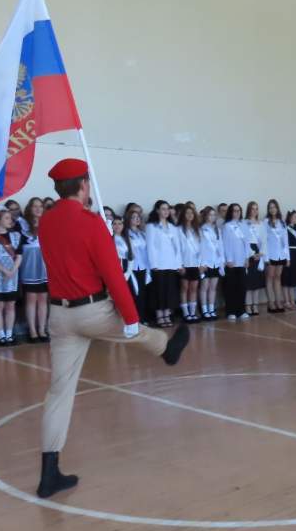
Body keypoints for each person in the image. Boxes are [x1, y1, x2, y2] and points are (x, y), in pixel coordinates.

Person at [35, 158, 189, 499]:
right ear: (83, 186)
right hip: (92, 310)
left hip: (59, 314)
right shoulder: (91, 223)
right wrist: (131, 317)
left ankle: (49, 473)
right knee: (136, 332)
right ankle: (166, 349)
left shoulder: (45, 221)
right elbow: (113, 275)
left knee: (59, 393)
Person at [145, 200, 184, 328]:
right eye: (163, 209)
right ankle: (159, 316)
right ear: (157, 210)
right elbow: (150, 246)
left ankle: (167, 315)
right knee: (159, 291)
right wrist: (153, 264)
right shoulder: (152, 226)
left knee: (169, 291)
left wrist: (178, 264)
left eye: (167, 209)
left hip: (171, 264)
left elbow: (177, 247)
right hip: (159, 264)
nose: (166, 211)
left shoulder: (173, 227)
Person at [0, 208, 22, 346]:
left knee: (10, 305)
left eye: (10, 218)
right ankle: (0, 334)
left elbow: (19, 255)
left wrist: (12, 271)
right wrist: (4, 270)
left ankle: (9, 333)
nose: (10, 221)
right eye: (7, 218)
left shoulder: (16, 236)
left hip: (12, 275)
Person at [20, 198, 50, 342]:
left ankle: (42, 329)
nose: (38, 209)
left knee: (43, 299)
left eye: (40, 206)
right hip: (30, 266)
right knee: (31, 299)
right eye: (35, 206)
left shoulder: (48, 223)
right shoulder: (22, 224)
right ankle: (32, 330)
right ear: (29, 208)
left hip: (44, 266)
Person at [263, 199, 290, 313]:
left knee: (278, 278)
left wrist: (288, 257)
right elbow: (264, 240)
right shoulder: (265, 222)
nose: (272, 209)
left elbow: (285, 240)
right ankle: (271, 303)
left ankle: (278, 302)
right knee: (270, 277)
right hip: (271, 255)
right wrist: (266, 257)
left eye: (274, 207)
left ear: (277, 208)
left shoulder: (282, 222)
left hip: (281, 255)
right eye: (270, 207)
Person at [177, 205, 203, 323]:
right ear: (183, 215)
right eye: (187, 213)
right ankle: (186, 313)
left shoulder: (197, 229)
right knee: (184, 288)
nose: (190, 215)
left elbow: (201, 247)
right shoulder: (178, 230)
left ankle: (192, 313)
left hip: (195, 263)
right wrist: (180, 264)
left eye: (192, 213)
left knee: (194, 288)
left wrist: (201, 263)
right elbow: (177, 248)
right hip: (184, 263)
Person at [198, 206, 224, 321]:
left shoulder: (217, 230)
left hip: (215, 262)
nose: (212, 217)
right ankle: (204, 310)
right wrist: (201, 263)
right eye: (210, 215)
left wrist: (221, 261)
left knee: (213, 287)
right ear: (205, 216)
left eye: (214, 215)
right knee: (204, 287)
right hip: (205, 262)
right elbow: (200, 247)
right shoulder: (201, 229)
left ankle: (211, 308)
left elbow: (220, 246)